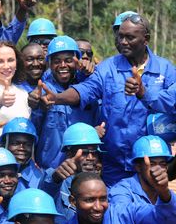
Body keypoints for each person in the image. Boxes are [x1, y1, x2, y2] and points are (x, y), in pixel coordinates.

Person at [37, 14, 176, 186]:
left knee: (151, 210)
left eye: (130, 37)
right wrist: (57, 98)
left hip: (151, 164)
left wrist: (144, 93)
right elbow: (84, 91)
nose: (123, 42)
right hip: (114, 165)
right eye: (121, 36)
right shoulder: (107, 68)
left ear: (145, 39)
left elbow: (173, 102)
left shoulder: (166, 69)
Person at [29, 36, 99, 169]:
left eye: (68, 60)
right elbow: (34, 132)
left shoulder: (89, 87)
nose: (62, 65)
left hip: (83, 167)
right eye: (57, 61)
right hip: (49, 169)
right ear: (49, 64)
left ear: (77, 61)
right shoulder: (43, 90)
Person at [40, 122, 103, 223]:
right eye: (84, 153)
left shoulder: (99, 183)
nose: (91, 158)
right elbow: (45, 195)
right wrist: (56, 178)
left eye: (94, 153)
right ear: (69, 153)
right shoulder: (57, 180)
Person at [68, 172, 176, 224]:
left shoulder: (126, 214)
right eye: (89, 200)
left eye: (102, 199)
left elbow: (163, 217)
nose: (98, 207)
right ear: (73, 201)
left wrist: (164, 192)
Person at [109, 135, 175, 212]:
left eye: (162, 164)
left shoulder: (167, 194)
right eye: (152, 164)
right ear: (138, 167)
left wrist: (164, 193)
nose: (158, 169)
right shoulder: (121, 191)